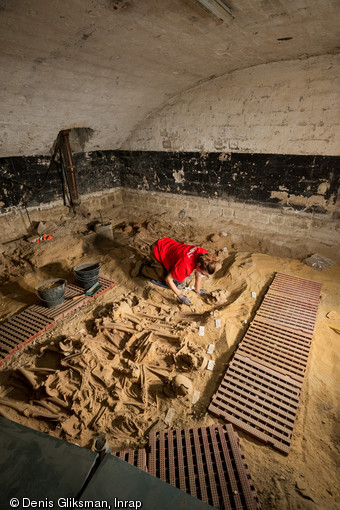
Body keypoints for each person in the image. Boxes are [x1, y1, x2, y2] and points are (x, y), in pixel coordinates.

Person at [142, 237, 217, 305]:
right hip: (157, 251)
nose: (202, 275)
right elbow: (168, 279)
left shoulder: (205, 256)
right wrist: (180, 295)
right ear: (198, 265)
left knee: (181, 280)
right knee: (178, 285)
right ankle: (141, 268)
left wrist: (198, 290)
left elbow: (199, 274)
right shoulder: (186, 266)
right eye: (203, 273)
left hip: (166, 243)